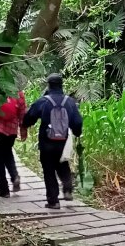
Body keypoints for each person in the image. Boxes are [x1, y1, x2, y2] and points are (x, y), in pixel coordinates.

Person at [22, 73, 83, 209]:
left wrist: (25, 125)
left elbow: (29, 117)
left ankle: (53, 201)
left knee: (48, 169)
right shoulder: (70, 102)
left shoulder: (43, 101)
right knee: (63, 163)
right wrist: (77, 133)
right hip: (64, 141)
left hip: (47, 141)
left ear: (49, 85)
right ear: (61, 85)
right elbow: (77, 122)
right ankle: (67, 187)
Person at [0, 90, 27, 198]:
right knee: (7, 152)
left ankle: (4, 190)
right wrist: (23, 130)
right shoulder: (17, 92)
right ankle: (14, 176)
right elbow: (22, 113)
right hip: (11, 130)